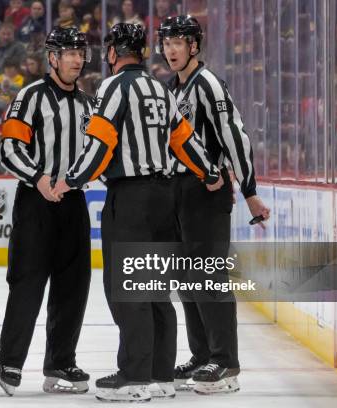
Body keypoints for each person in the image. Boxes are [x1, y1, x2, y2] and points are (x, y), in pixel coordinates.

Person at [51, 23, 223, 402]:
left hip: (130, 197)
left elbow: (99, 143)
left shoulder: (113, 87)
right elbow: (185, 141)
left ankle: (133, 376)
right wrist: (209, 172)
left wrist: (70, 180)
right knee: (156, 289)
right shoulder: (161, 89)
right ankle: (160, 374)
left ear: (113, 52)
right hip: (165, 196)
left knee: (127, 288)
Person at [157, 15, 270, 395]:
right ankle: (203, 353)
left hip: (207, 190)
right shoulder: (175, 88)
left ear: (194, 45)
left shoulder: (207, 84)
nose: (171, 49)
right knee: (188, 278)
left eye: (178, 42)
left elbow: (234, 136)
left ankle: (225, 362)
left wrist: (250, 190)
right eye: (166, 42)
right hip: (181, 191)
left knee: (207, 276)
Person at [0, 26, 93, 396]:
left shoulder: (88, 104)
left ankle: (60, 362)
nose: (76, 59)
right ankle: (10, 361)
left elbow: (98, 153)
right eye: (69, 53)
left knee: (73, 286)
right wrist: (39, 178)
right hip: (35, 201)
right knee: (27, 281)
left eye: (80, 53)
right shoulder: (30, 96)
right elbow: (9, 149)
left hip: (73, 202)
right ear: (52, 58)